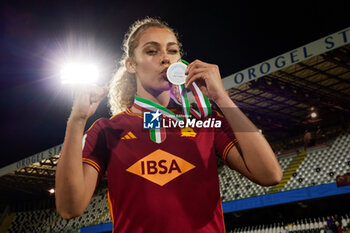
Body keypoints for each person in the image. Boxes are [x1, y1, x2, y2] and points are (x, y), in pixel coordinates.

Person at [55, 17, 283, 233]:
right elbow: (69, 209)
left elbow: (269, 174)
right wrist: (77, 120)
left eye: (172, 50)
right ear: (131, 65)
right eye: (152, 51)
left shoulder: (205, 121)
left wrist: (222, 98)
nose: (165, 58)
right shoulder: (107, 130)